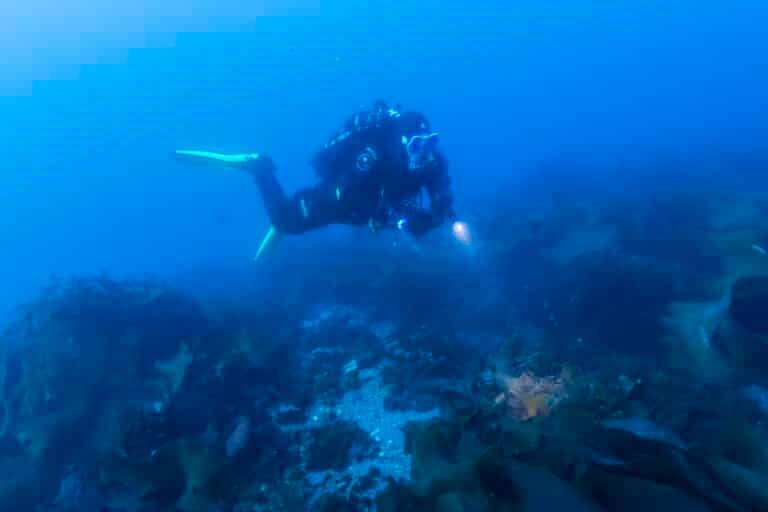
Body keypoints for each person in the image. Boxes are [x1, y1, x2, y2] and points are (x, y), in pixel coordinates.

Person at [177, 101, 465, 257]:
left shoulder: (433, 159)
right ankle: (259, 167)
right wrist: (393, 216)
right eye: (416, 144)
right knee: (286, 222)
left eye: (430, 142)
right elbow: (347, 192)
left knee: (419, 228)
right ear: (400, 142)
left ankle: (295, 204)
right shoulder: (374, 154)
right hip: (341, 200)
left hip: (366, 212)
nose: (424, 151)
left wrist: (441, 207)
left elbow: (441, 184)